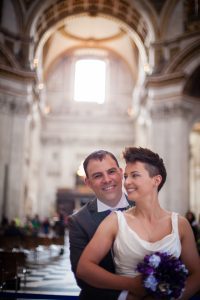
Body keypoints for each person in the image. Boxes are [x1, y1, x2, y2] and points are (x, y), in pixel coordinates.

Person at [77, 147, 200, 300]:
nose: (127, 182)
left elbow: (197, 274)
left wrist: (174, 297)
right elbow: (84, 268)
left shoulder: (180, 224)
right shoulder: (115, 221)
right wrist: (130, 285)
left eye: (135, 175)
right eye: (126, 176)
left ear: (156, 180)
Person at [68, 150, 135, 300]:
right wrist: (126, 296)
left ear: (121, 173)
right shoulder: (79, 221)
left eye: (111, 172)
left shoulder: (143, 207)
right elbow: (83, 278)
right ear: (88, 182)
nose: (107, 179)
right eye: (98, 176)